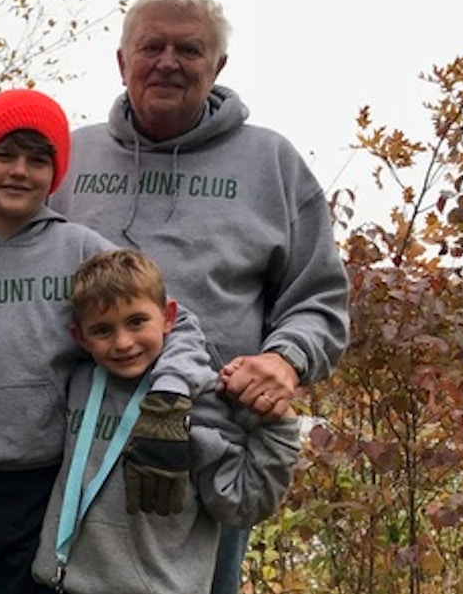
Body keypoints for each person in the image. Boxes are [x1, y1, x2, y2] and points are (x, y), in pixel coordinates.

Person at [45, 0, 349, 592]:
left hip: (207, 456)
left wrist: (284, 361)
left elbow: (321, 301)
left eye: (188, 49)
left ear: (219, 65)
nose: (167, 62)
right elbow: (10, 245)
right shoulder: (68, 158)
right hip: (73, 450)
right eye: (151, 46)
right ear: (121, 61)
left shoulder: (273, 164)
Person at [0, 89, 214, 594]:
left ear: (54, 174)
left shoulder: (80, 249)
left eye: (38, 160)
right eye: (4, 154)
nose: (18, 171)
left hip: (48, 482)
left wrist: (171, 396)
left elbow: (176, 324)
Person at [30, 249, 301, 594]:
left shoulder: (201, 399)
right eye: (102, 330)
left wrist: (279, 428)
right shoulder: (79, 381)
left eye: (136, 321)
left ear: (169, 316)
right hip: (63, 583)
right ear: (80, 338)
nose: (123, 343)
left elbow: (241, 504)